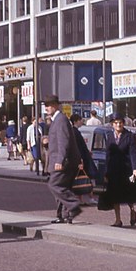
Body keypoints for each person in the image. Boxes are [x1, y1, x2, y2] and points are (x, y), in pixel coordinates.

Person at [45, 95, 83, 224]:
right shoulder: (56, 120)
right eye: (45, 105)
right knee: (63, 186)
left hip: (63, 161)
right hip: (64, 160)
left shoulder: (60, 120)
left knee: (54, 185)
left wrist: (59, 160)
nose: (46, 108)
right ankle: (64, 215)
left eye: (49, 105)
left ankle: (74, 205)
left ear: (56, 105)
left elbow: (64, 142)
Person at [98, 115, 136, 227]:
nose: (118, 125)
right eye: (116, 123)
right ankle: (118, 220)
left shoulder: (129, 136)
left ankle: (132, 211)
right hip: (113, 170)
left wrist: (135, 169)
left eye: (120, 122)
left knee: (128, 194)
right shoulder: (109, 136)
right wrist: (106, 172)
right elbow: (108, 155)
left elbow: (133, 153)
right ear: (112, 124)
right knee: (115, 195)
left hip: (125, 170)